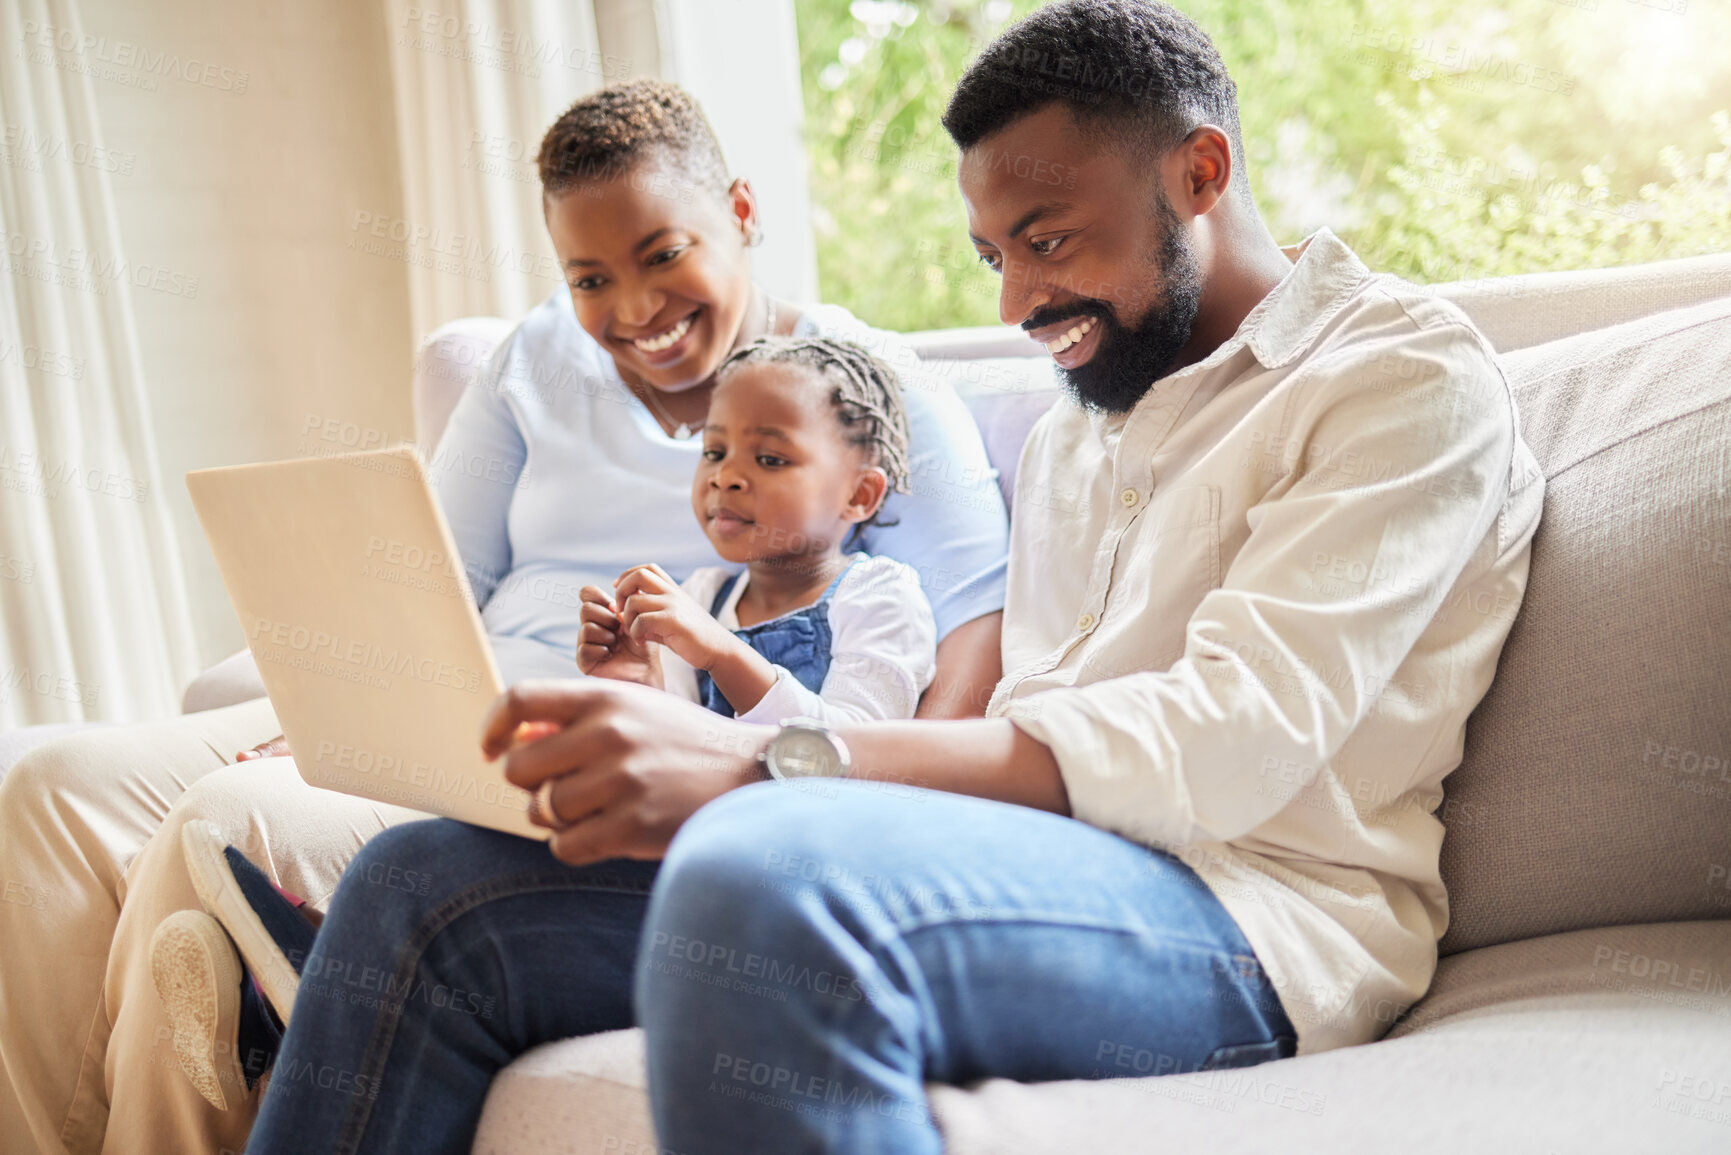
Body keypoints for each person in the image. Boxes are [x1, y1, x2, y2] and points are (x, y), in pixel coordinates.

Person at [240, 2, 1545, 1152]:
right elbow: (1009, 723)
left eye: (1048, 239)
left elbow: (1229, 741)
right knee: (421, 883)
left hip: (1253, 917)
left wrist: (764, 765)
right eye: (995, 257)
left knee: (765, 889)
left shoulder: (1392, 381)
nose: (1016, 302)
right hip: (1023, 858)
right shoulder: (1090, 417)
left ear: (1196, 171)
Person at [0, 80, 1009, 1155]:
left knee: (218, 822)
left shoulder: (859, 393)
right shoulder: (532, 362)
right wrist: (344, 690)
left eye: (665, 254)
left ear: (744, 214)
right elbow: (427, 564)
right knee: (48, 793)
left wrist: (868, 803)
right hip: (434, 699)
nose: (635, 311)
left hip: (557, 753)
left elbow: (971, 631)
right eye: (590, 278)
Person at [579, 336, 938, 726]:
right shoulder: (701, 597)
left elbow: (857, 752)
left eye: (770, 459)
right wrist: (642, 682)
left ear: (859, 493)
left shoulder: (879, 596)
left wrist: (722, 653)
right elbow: (676, 742)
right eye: (714, 452)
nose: (725, 477)